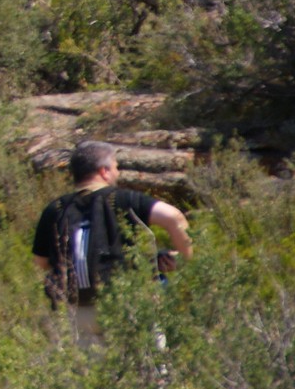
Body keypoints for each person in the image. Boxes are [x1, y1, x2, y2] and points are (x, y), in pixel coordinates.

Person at [32, 140, 194, 347]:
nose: (118, 173)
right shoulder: (123, 200)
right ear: (104, 171)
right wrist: (186, 261)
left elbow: (41, 264)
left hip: (76, 312)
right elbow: (174, 218)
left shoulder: (55, 209)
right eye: (116, 167)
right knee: (146, 373)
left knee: (89, 376)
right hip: (126, 306)